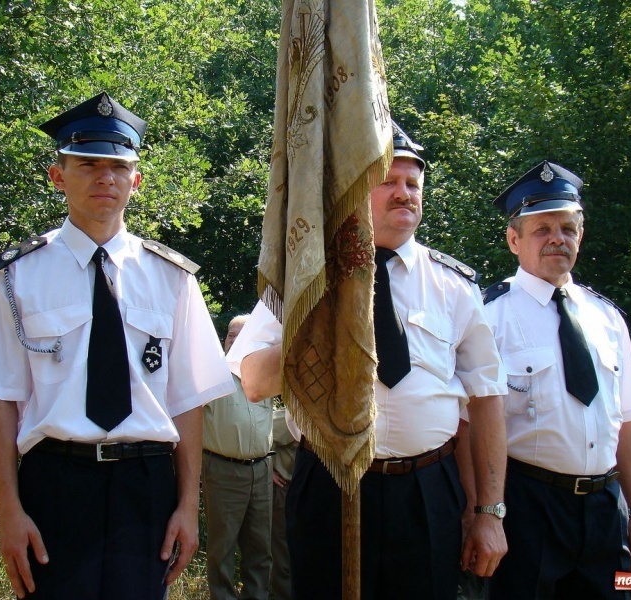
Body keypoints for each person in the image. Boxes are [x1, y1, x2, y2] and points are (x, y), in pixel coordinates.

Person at [0, 92, 235, 599]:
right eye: (87, 164)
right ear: (58, 176)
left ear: (136, 180)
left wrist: (187, 505)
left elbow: (187, 401)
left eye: (118, 167)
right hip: (55, 484)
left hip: (146, 485)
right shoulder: (15, 276)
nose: (104, 178)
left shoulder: (172, 278)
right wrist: (7, 508)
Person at [227, 124, 509, 599]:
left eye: (413, 183)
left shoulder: (454, 285)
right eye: (388, 181)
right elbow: (254, 380)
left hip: (427, 491)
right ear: (355, 190)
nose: (404, 193)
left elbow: (487, 399)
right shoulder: (306, 276)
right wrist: (325, 318)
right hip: (331, 486)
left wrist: (489, 512)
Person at [482, 160, 631, 599]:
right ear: (514, 239)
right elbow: (472, 428)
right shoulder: (489, 316)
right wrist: (485, 513)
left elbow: (626, 421)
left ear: (581, 236)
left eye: (567, 228)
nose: (557, 238)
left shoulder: (607, 317)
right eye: (541, 229)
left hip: (605, 504)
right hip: (527, 504)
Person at [202, 314, 274, 600]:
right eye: (230, 335)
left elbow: (276, 421)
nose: (233, 340)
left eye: (240, 336)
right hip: (223, 470)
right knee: (221, 550)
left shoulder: (264, 375)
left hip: (262, 471)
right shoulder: (211, 374)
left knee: (261, 549)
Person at [269, 407, 297, 600]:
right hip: (284, 489)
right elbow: (263, 435)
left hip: (304, 491)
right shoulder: (295, 417)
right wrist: (268, 470)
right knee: (282, 552)